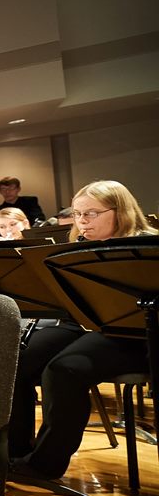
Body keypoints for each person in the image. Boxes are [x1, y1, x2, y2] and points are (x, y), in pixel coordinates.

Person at [9, 180, 157, 479]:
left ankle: (44, 464)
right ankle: (12, 453)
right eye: (77, 214)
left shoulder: (147, 246)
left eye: (91, 213)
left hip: (135, 333)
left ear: (121, 211)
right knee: (15, 363)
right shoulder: (77, 250)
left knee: (65, 370)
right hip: (85, 324)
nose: (82, 222)